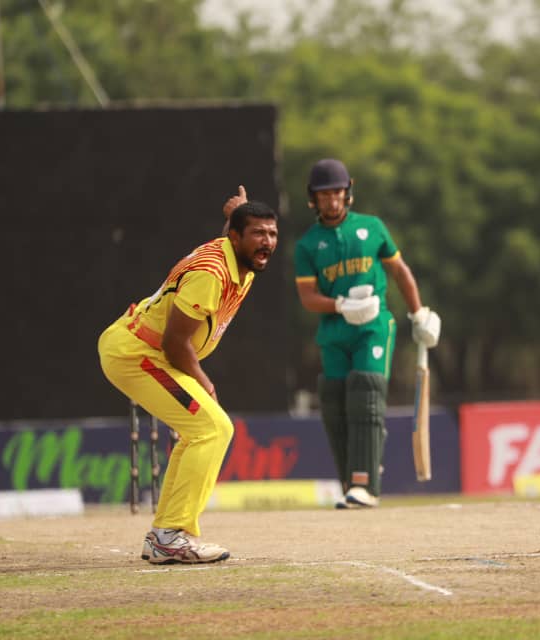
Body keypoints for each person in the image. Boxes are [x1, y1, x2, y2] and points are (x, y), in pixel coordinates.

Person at [227, 159, 441, 508]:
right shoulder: (308, 245)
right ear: (313, 198)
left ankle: (365, 483)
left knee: (365, 392)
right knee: (335, 403)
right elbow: (308, 297)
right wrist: (342, 305)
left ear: (348, 192)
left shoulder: (372, 228)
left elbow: (400, 271)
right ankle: (351, 482)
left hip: (373, 326)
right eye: (324, 194)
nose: (332, 199)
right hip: (334, 330)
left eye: (337, 192)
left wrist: (419, 313)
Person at [99, 197, 279, 564]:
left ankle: (164, 535)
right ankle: (170, 536)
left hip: (147, 352)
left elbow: (233, 237)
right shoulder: (211, 275)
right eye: (258, 233)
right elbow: (174, 343)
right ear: (235, 237)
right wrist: (206, 384)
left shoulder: (238, 256)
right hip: (137, 354)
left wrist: (238, 215)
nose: (267, 242)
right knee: (212, 428)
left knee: (203, 430)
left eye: (272, 234)